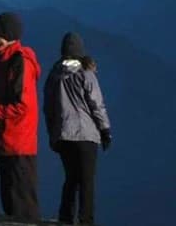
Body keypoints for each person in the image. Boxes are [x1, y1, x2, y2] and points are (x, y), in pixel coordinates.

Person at [44, 32, 112, 225]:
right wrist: (105, 130)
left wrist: (53, 134)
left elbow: (48, 108)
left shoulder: (54, 75)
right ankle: (86, 220)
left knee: (71, 178)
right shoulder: (86, 74)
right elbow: (96, 104)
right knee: (87, 180)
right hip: (86, 135)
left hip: (63, 135)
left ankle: (65, 217)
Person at [0, 12, 41, 220]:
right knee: (11, 201)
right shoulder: (3, 60)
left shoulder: (20, 62)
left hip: (19, 142)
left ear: (4, 33)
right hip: (6, 141)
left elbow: (22, 105)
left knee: (22, 203)